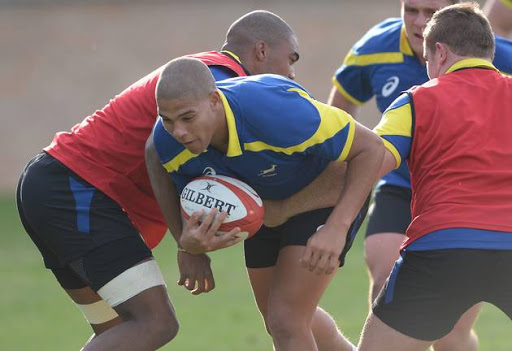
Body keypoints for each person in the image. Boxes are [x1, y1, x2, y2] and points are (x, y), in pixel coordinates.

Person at [15, 10, 314, 350]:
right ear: (261, 51)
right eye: (291, 59)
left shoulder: (207, 77)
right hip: (75, 189)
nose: (291, 73)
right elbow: (155, 148)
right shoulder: (218, 80)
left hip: (57, 186)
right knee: (154, 323)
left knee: (121, 331)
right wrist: (186, 245)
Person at [147, 57, 383, 351]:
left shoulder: (275, 112)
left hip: (322, 194)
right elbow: (158, 163)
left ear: (214, 101)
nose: (178, 131)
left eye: (187, 117)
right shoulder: (168, 143)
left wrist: (338, 226)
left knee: (286, 320)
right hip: (265, 206)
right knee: (280, 321)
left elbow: (372, 148)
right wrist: (188, 245)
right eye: (167, 120)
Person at [328, 1, 512, 349]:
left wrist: (334, 225)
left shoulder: (415, 100)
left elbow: (370, 163)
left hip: (443, 249)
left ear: (439, 53)